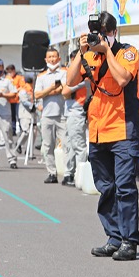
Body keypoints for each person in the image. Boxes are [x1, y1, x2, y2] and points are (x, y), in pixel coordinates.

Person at [67, 11, 139, 261]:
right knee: (105, 187)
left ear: (113, 33)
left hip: (123, 130)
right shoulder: (89, 55)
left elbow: (121, 79)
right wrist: (81, 51)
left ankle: (130, 241)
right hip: (98, 131)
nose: (99, 37)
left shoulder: (127, 52)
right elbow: (69, 81)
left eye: (103, 32)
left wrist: (107, 49)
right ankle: (114, 237)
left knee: (125, 188)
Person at [34, 48, 67, 184]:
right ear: (46, 60)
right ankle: (51, 173)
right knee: (48, 145)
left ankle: (68, 173)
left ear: (59, 59)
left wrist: (47, 92)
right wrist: (52, 88)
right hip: (47, 115)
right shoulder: (41, 76)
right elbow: (37, 94)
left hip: (63, 114)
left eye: (54, 57)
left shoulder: (65, 72)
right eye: (50, 57)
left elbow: (65, 88)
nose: (52, 59)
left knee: (66, 144)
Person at [61, 49, 89, 186]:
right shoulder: (74, 74)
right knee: (70, 144)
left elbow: (65, 91)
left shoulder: (83, 75)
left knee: (79, 146)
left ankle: (80, 177)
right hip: (70, 111)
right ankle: (69, 173)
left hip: (77, 111)